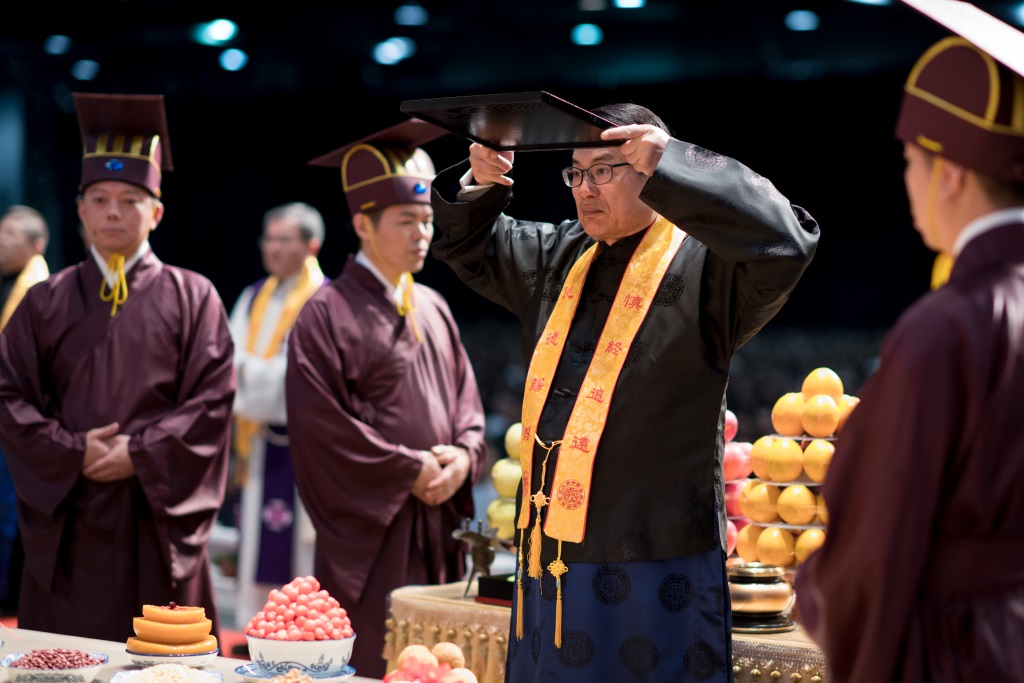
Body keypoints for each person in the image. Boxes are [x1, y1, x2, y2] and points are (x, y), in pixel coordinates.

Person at [430, 101, 819, 682]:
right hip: (549, 555)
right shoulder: (560, 255)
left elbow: (788, 241)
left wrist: (678, 162)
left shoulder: (709, 269)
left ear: (652, 170)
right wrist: (481, 185)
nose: (586, 189)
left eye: (606, 170)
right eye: (576, 173)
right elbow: (470, 247)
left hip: (655, 558)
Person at [793, 8, 1024, 681]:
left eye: (910, 161)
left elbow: (870, 549)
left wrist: (818, 591)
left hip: (966, 647)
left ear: (949, 172)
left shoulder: (944, 327)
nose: (908, 182)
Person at [0, 93, 235, 641]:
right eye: (99, 198)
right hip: (70, 519)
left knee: (165, 660)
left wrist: (142, 452)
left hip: (157, 519)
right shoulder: (44, 301)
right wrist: (71, 449)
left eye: (129, 199)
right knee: (63, 660)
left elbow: (212, 401)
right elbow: (9, 396)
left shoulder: (194, 296)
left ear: (155, 211)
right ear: (79, 209)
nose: (112, 211)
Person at [287, 119, 487, 678]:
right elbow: (321, 429)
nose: (423, 234)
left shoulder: (434, 306)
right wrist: (407, 469)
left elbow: (467, 406)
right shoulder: (324, 313)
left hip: (439, 520)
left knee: (442, 661)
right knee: (377, 658)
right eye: (407, 221)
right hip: (376, 529)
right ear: (363, 225)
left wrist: (464, 457)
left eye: (427, 220)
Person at [229, 201, 325, 627]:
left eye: (284, 239)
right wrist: (254, 374)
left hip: (308, 446)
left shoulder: (325, 300)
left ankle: (305, 637)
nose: (273, 248)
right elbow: (226, 369)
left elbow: (298, 379)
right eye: (269, 238)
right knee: (258, 543)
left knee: (303, 551)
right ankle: (259, 634)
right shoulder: (252, 298)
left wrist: (249, 371)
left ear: (311, 245)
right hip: (260, 441)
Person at [0, 204, 50, 614]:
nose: (2, 238)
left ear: (38, 245)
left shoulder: (44, 293)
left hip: (19, 420)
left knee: (8, 514)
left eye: (13, 233)